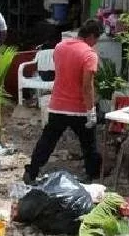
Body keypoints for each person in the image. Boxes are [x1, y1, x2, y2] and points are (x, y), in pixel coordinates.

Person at [23, 19, 102, 184]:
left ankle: (32, 171)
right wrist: (91, 112)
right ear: (92, 36)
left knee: (47, 141)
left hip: (57, 106)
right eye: (96, 40)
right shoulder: (89, 54)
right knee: (89, 144)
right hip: (79, 109)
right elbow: (87, 86)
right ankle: (91, 177)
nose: (95, 44)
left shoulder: (60, 47)